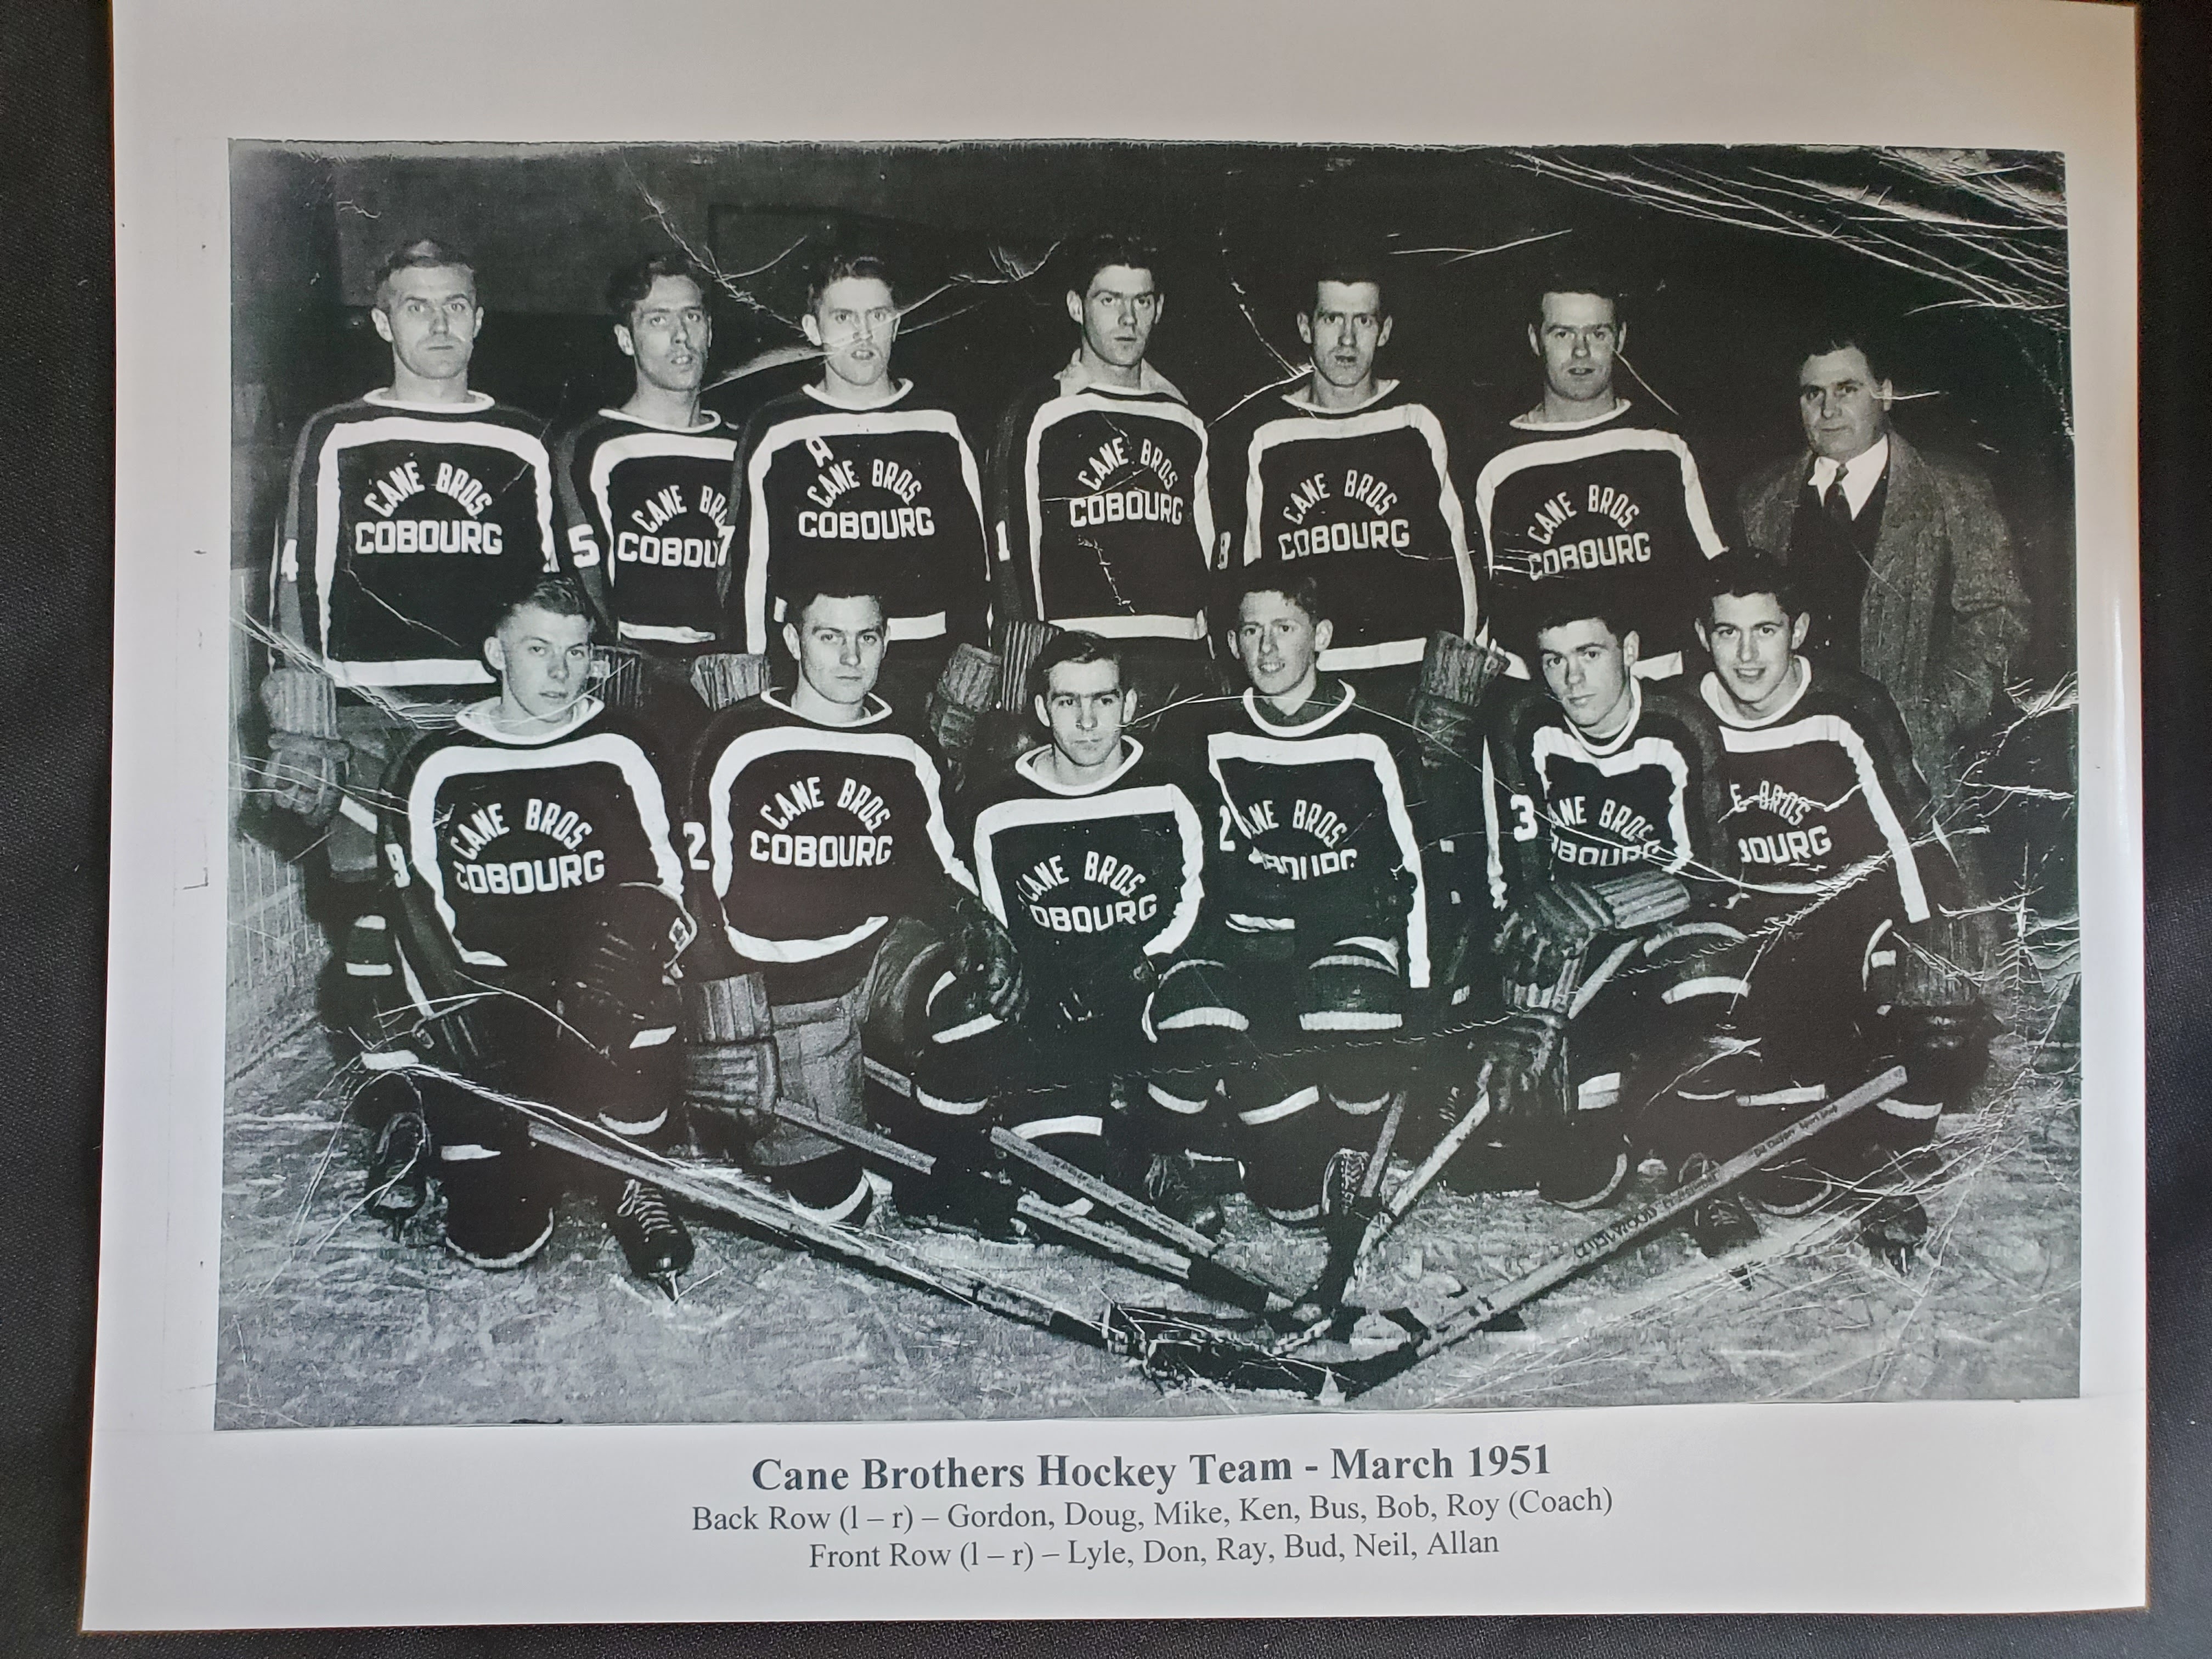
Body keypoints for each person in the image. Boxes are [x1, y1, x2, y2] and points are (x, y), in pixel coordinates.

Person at [352, 577, 698, 1290]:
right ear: (495, 653)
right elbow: (416, 918)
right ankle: (451, 1137)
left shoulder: (623, 748)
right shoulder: (433, 764)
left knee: (644, 970)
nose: (561, 671)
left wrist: (637, 963)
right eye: (539, 650)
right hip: (491, 1006)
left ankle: (628, 1171)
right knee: (500, 1240)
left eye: (577, 652)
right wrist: (466, 1021)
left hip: (601, 1003)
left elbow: (673, 886)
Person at [1668, 549, 1992, 1260]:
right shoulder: (1683, 712)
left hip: (1845, 911)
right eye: (1728, 632)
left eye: (1766, 630)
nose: (1748, 654)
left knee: (1926, 1018)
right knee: (1770, 1140)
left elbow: (1910, 832)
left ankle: (1879, 1149)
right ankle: (1704, 1163)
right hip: (1753, 922)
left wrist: (1931, 939)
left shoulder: (1848, 705)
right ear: (1703, 636)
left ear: (1799, 629)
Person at [679, 569, 1024, 1222]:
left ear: (885, 640)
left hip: (873, 963)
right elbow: (692, 894)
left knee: (980, 998)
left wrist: (974, 920)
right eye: (829, 635)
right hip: (783, 990)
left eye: (866, 636)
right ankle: (844, 1152)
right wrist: (723, 1019)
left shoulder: (905, 746)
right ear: (793, 639)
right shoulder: (735, 740)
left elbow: (936, 867)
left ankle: (937, 1175)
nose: (850, 656)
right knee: (839, 1208)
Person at [893, 630, 1212, 1229]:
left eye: (1104, 700)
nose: (1088, 721)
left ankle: (1165, 1152)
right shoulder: (996, 807)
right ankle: (1107, 1148)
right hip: (1054, 1020)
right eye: (1068, 701)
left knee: (1205, 1005)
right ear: (1042, 710)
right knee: (1067, 1197)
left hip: (1141, 1004)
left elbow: (1202, 904)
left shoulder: (1174, 790)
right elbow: (987, 922)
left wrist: (1141, 966)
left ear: (1131, 704)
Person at [262, 238, 557, 883]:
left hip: (489, 709)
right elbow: (299, 581)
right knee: (372, 906)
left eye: (455, 305)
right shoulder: (338, 433)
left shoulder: (523, 439)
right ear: (382, 322)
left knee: (484, 896)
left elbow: (556, 589)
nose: (441, 323)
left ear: (479, 320)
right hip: (368, 715)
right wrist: (308, 721)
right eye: (417, 307)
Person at [1143, 576, 1431, 1226]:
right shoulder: (1210, 732)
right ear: (1232, 643)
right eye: (1251, 631)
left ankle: (1354, 1134)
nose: (1267, 649)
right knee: (1296, 1200)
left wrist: (1418, 1001)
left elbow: (1417, 874)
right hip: (1255, 958)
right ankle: (1180, 1149)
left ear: (1321, 636)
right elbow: (1194, 862)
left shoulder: (1376, 735)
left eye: (1285, 628)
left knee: (1351, 999)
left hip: (1341, 958)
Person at [1479, 584, 1737, 1215]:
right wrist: (1529, 1004)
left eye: (1590, 654)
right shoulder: (1524, 723)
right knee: (1579, 1177)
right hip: (1578, 948)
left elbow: (1713, 874)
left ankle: (1695, 1135)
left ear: (1629, 651)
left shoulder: (1679, 726)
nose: (1572, 679)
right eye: (1554, 660)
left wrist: (1611, 903)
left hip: (1661, 934)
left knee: (1708, 981)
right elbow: (1520, 877)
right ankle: (1617, 1110)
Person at [1735, 329, 2031, 801]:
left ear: (1886, 394)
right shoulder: (1759, 500)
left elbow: (1998, 620)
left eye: (1847, 390)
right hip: (1789, 761)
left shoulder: (1954, 490)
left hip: (1917, 766)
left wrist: (1931, 714)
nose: (1828, 411)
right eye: (1814, 394)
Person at [1207, 258, 1479, 714]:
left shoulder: (1419, 420)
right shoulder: (1266, 435)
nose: (1348, 340)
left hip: (1414, 681)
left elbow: (1466, 563)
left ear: (1385, 330)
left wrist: (1453, 678)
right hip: (1311, 684)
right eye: (1333, 319)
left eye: (1364, 321)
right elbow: (1247, 575)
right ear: (1305, 327)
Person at [731, 252, 991, 716]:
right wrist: (752, 676)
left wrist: (971, 677)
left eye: (879, 316)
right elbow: (750, 573)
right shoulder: (777, 428)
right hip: (813, 672)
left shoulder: (941, 425)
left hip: (925, 671)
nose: (864, 334)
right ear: (813, 330)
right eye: (844, 318)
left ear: (898, 324)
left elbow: (976, 566)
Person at [988, 234, 1215, 720]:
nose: (1127, 319)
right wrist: (1022, 691)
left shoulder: (1184, 419)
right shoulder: (1041, 413)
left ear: (1159, 309)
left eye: (1142, 301)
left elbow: (1207, 556)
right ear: (1076, 306)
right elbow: (1010, 564)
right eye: (1109, 300)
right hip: (1080, 672)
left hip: (1174, 668)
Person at [1468, 276, 1726, 681]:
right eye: (1563, 333)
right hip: (1547, 707)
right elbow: (1479, 616)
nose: (1581, 351)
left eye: (1597, 333)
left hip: (1663, 697)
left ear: (1620, 338)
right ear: (1535, 340)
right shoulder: (1497, 465)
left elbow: (1724, 583)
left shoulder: (1666, 447)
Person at [551, 253, 739, 743]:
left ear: (710, 330)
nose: (681, 337)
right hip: (628, 687)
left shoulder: (744, 446)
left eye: (692, 317)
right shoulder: (592, 446)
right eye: (658, 320)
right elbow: (584, 582)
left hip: (728, 685)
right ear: (624, 339)